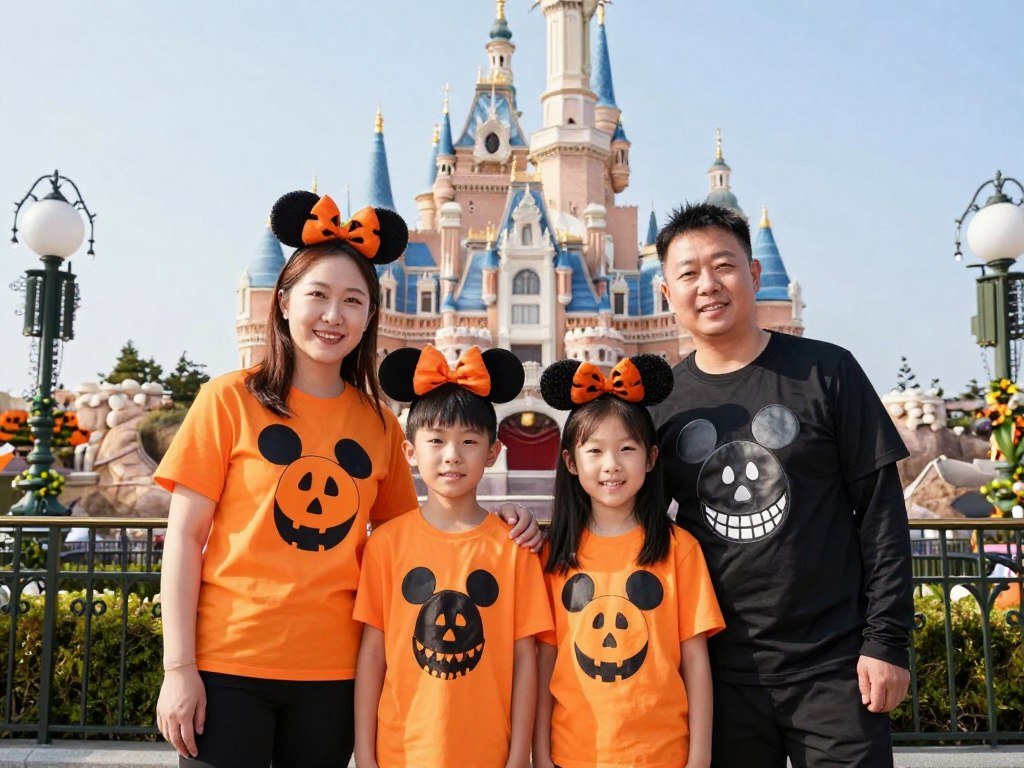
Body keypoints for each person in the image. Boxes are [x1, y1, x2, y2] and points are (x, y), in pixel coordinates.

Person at [154, 191, 540, 768]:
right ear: (283, 302)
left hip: (332, 675)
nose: (333, 316)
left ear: (370, 317)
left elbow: (413, 540)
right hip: (229, 664)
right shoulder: (228, 400)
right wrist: (178, 669)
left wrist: (502, 520)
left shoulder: (379, 424)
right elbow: (184, 539)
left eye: (353, 301)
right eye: (318, 296)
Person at [650, 202, 913, 768]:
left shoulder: (827, 372)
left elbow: (881, 515)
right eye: (688, 273)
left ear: (755, 275)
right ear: (666, 293)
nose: (708, 285)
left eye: (723, 265)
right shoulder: (659, 403)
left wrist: (886, 642)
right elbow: (624, 521)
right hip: (716, 676)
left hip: (834, 667)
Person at [354, 344, 552, 768]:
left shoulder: (514, 548)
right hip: (401, 752)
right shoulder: (386, 544)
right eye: (436, 441)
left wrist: (520, 758)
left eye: (468, 442)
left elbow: (525, 660)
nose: (452, 456)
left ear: (493, 453)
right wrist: (366, 757)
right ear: (410, 452)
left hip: (489, 753)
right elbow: (372, 655)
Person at [533, 355, 725, 768]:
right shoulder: (551, 555)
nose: (611, 465)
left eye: (626, 449)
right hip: (573, 754)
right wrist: (540, 754)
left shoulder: (679, 548)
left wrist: (699, 757)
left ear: (651, 458)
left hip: (663, 754)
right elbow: (545, 660)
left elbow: (695, 662)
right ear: (571, 462)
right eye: (595, 451)